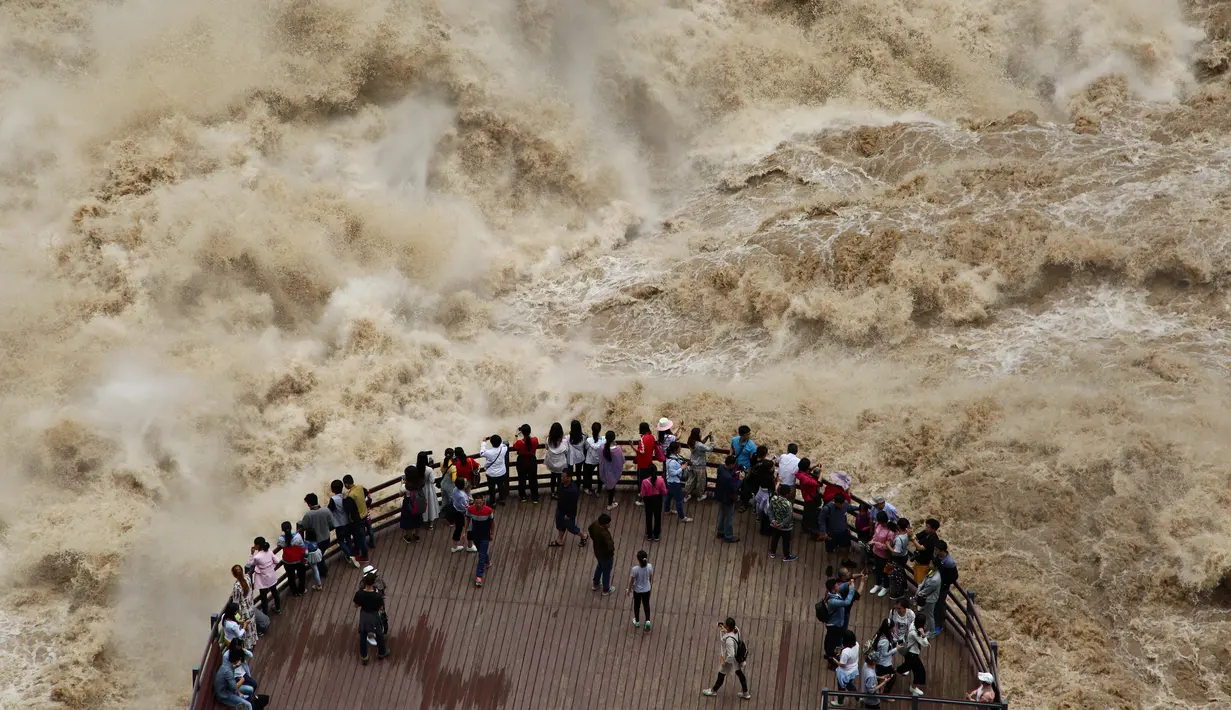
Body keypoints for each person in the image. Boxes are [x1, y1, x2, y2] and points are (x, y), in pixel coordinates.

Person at [701, 617, 750, 699]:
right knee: (739, 673)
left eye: (725, 625)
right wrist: (723, 628)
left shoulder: (729, 641)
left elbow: (730, 655)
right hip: (737, 658)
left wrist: (724, 662)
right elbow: (730, 631)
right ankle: (745, 692)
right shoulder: (736, 630)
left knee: (721, 674)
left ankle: (713, 691)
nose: (724, 625)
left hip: (731, 660)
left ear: (728, 627)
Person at [822, 575, 862, 662]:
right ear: (833, 589)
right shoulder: (832, 601)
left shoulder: (834, 592)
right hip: (834, 625)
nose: (838, 586)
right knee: (831, 641)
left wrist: (850, 583)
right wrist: (851, 590)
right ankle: (830, 656)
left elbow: (843, 586)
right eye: (836, 585)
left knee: (830, 639)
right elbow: (846, 602)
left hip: (836, 622)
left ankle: (830, 652)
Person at [354, 571, 390, 665]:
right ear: (373, 582)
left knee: (363, 635)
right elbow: (381, 608)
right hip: (374, 616)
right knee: (379, 633)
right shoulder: (377, 596)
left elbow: (356, 605)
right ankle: (382, 652)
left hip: (364, 615)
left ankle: (364, 657)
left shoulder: (359, 593)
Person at [548, 470, 588, 547]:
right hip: (560, 509)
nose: (562, 478)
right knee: (560, 525)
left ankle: (584, 536)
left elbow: (572, 504)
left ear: (569, 478)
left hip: (568, 513)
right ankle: (559, 541)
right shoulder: (561, 484)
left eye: (564, 477)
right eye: (561, 476)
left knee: (571, 527)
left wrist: (568, 515)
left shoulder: (573, 490)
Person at [229, 565, 265, 648]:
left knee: (245, 628)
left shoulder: (237, 586)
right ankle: (253, 641)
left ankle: (247, 645)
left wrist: (232, 595)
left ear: (234, 575)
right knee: (251, 625)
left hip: (243, 611)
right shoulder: (248, 578)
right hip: (250, 606)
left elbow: (236, 601)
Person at [299, 493, 332, 580]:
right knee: (320, 555)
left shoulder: (308, 515)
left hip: (316, 541)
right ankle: (324, 571)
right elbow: (331, 522)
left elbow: (304, 526)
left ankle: (324, 572)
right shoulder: (326, 510)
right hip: (326, 538)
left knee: (318, 558)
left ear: (309, 504)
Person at [327, 479, 359, 568]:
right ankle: (351, 553)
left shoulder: (333, 499)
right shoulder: (345, 496)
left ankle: (349, 555)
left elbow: (329, 510)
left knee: (341, 541)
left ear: (333, 489)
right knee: (348, 538)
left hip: (339, 524)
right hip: (348, 522)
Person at [896, 616, 929, 697]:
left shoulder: (912, 626)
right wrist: (923, 635)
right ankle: (913, 687)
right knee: (920, 672)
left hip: (911, 654)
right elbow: (925, 644)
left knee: (910, 668)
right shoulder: (914, 633)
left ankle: (894, 672)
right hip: (912, 655)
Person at [467, 493, 495, 587]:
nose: (478, 505)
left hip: (485, 536)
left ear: (483, 501)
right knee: (481, 552)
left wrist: (492, 533)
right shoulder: (470, 509)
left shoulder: (489, 511)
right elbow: (467, 520)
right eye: (476, 503)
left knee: (481, 556)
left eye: (480, 503)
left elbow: (492, 523)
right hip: (475, 535)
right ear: (474, 502)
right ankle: (488, 562)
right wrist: (464, 531)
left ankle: (479, 578)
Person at [818, 492, 856, 560]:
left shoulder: (844, 503)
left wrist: (859, 508)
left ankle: (845, 560)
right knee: (830, 551)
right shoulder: (827, 508)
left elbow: (849, 507)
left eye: (843, 503)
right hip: (831, 533)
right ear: (835, 502)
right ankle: (829, 565)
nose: (842, 506)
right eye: (841, 504)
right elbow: (821, 520)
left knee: (846, 546)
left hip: (843, 531)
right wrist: (823, 531)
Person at [248, 537, 280, 616]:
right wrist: (270, 567)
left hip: (263, 579)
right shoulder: (269, 552)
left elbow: (251, 563)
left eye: (255, 544)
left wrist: (252, 553)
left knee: (264, 598)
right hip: (271, 576)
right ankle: (278, 609)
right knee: (275, 593)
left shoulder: (257, 557)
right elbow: (277, 561)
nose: (254, 546)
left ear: (258, 546)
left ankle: (265, 614)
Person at [662, 442, 694, 523]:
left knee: (669, 497)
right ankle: (682, 517)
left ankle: (667, 510)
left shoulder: (671, 457)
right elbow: (672, 473)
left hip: (670, 481)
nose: (680, 449)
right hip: (674, 483)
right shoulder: (672, 461)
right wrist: (682, 468)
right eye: (679, 448)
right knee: (679, 500)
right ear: (676, 450)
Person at [343, 474, 374, 554]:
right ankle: (364, 549)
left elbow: (347, 508)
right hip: (365, 514)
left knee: (361, 537)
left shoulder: (351, 495)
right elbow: (367, 495)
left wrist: (345, 498)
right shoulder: (360, 487)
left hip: (358, 518)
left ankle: (364, 555)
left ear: (346, 484)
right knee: (364, 533)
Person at [934, 540, 959, 637]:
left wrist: (942, 580)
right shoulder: (938, 556)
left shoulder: (949, 562)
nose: (935, 551)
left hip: (942, 587)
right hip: (935, 584)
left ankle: (939, 625)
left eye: (936, 550)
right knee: (935, 604)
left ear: (942, 550)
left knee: (940, 605)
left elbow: (954, 577)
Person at [714, 455, 740, 543]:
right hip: (728, 499)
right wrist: (740, 481)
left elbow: (726, 474)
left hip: (720, 496)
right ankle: (728, 536)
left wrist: (734, 474)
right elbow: (734, 489)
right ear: (732, 465)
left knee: (722, 514)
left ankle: (720, 532)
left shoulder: (720, 468)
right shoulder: (728, 478)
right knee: (729, 517)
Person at [277, 521, 307, 597]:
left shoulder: (281, 539)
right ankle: (301, 590)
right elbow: (303, 547)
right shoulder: (298, 536)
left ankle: (294, 592)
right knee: (301, 576)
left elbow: (279, 544)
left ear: (282, 530)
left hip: (287, 562)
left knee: (291, 578)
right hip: (298, 561)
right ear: (291, 528)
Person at [767, 484, 797, 561]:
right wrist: (782, 524)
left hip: (775, 524)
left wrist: (773, 520)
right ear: (787, 494)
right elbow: (789, 516)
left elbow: (770, 510)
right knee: (786, 542)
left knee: (774, 539)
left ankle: (772, 553)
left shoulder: (773, 498)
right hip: (785, 528)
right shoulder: (788, 504)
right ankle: (786, 556)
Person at [478, 435, 510, 506]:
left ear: (491, 443)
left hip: (491, 474)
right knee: (501, 486)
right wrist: (497, 441)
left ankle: (493, 503)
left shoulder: (489, 452)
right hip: (501, 472)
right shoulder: (503, 449)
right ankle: (502, 500)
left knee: (492, 488)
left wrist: (484, 442)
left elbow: (481, 453)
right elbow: (504, 445)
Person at [400, 458, 427, 543]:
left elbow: (400, 494)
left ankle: (408, 537)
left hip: (408, 503)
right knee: (417, 519)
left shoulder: (405, 487)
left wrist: (402, 483)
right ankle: (417, 535)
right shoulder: (421, 483)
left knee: (408, 520)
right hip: (418, 502)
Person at [869, 515, 896, 597]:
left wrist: (875, 543)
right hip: (876, 551)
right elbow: (875, 534)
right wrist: (873, 540)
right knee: (877, 569)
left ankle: (886, 586)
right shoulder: (878, 525)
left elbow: (887, 546)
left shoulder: (890, 532)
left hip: (885, 555)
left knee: (885, 571)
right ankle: (878, 584)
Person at [588, 513, 616, 594]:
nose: (609, 524)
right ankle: (606, 589)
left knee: (600, 566)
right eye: (608, 523)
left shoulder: (595, 524)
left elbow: (589, 528)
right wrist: (611, 553)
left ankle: (595, 584)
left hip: (597, 551)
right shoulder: (605, 534)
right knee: (606, 571)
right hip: (606, 555)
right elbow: (610, 546)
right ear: (604, 524)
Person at [627, 549, 654, 631]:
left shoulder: (635, 569)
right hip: (647, 590)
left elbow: (632, 580)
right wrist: (649, 586)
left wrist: (629, 589)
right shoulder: (649, 566)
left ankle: (637, 621)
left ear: (638, 560)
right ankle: (648, 621)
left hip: (638, 591)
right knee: (646, 605)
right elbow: (651, 577)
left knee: (636, 606)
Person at [597, 430, 624, 510]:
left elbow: (600, 459)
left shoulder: (601, 447)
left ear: (605, 438)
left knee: (609, 486)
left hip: (603, 471)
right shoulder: (617, 449)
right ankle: (610, 504)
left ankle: (606, 495)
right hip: (613, 473)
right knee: (612, 488)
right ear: (614, 438)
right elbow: (621, 460)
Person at [513, 425, 540, 503]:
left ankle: (523, 497)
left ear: (522, 433)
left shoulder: (519, 442)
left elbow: (514, 445)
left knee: (521, 479)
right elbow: (533, 439)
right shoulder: (535, 440)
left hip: (521, 461)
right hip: (532, 460)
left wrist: (516, 435)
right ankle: (535, 497)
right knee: (533, 479)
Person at [684, 428, 713, 502]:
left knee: (691, 480)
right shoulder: (699, 445)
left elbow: (700, 444)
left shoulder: (690, 441)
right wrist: (712, 440)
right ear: (697, 435)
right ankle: (700, 496)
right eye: (700, 433)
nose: (701, 433)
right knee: (701, 482)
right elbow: (709, 449)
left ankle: (686, 496)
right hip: (700, 466)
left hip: (692, 464)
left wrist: (706, 437)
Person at [640, 464, 666, 541]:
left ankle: (649, 534)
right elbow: (664, 492)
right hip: (657, 499)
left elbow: (642, 494)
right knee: (657, 517)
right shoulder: (661, 480)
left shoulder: (644, 481)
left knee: (648, 516)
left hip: (648, 500)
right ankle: (656, 535)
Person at [449, 479, 476, 553]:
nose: (467, 483)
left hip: (456, 511)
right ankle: (470, 546)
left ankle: (455, 546)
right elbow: (465, 507)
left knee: (458, 528)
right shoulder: (462, 496)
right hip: (463, 514)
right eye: (465, 483)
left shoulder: (455, 489)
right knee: (470, 528)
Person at [544, 422, 569, 500]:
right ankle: (558, 493)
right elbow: (566, 452)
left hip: (551, 463)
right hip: (561, 464)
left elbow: (547, 448)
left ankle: (552, 493)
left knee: (553, 477)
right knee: (560, 479)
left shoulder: (548, 440)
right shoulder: (564, 442)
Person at [834, 630, 861, 704]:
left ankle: (840, 702)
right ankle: (857, 695)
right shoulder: (857, 644)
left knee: (841, 687)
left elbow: (842, 664)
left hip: (845, 673)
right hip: (853, 669)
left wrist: (835, 660)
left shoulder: (846, 652)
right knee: (848, 684)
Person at [912, 518, 941, 585]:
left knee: (920, 582)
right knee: (916, 578)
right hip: (918, 560)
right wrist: (913, 536)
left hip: (924, 564)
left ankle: (919, 595)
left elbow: (920, 548)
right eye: (926, 526)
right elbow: (916, 536)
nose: (926, 528)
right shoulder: (926, 532)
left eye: (928, 527)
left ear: (934, 529)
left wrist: (912, 539)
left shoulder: (933, 539)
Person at [633, 422, 656, 506]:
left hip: (642, 464)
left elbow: (642, 451)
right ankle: (649, 497)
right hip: (649, 462)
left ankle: (642, 500)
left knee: (641, 483)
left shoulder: (643, 439)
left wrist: (632, 447)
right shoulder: (652, 437)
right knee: (648, 481)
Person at [796, 461, 820, 536]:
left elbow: (807, 471)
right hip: (810, 499)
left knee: (806, 513)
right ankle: (808, 530)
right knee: (810, 515)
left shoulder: (800, 474)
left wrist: (815, 466)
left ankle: (805, 528)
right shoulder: (806, 479)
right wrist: (821, 472)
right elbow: (817, 483)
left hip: (806, 497)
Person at [419, 452, 440, 528]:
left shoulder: (415, 467)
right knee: (430, 504)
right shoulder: (429, 469)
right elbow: (432, 480)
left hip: (420, 489)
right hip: (428, 488)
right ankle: (431, 524)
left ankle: (422, 520)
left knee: (421, 505)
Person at [583, 422, 603, 496]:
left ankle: (589, 489)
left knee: (588, 475)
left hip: (590, 460)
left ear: (592, 429)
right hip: (599, 461)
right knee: (600, 476)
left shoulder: (588, 440)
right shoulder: (603, 440)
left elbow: (585, 448)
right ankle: (599, 491)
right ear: (600, 430)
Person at [567, 420, 588, 493]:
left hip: (571, 457)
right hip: (580, 457)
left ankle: (570, 486)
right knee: (578, 473)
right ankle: (578, 486)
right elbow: (586, 447)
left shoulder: (567, 437)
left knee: (570, 472)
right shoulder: (584, 437)